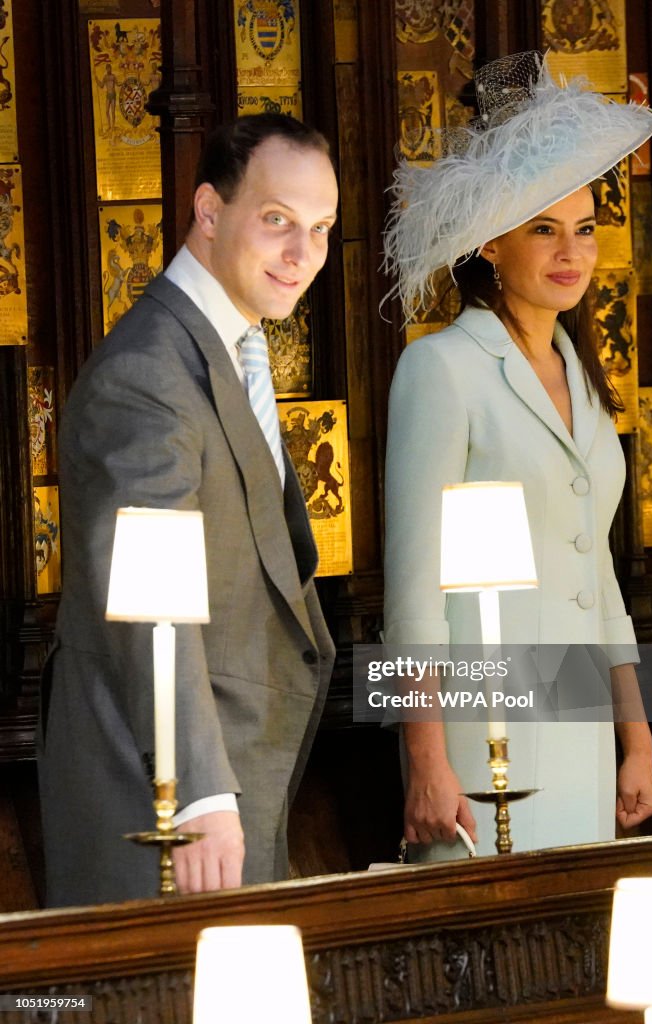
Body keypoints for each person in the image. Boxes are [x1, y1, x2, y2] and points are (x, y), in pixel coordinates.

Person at [37, 114, 338, 905]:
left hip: (237, 784)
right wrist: (200, 793)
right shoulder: (147, 375)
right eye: (277, 221)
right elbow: (144, 608)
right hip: (163, 804)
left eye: (320, 228)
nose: (301, 255)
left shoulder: (231, 348)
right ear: (209, 212)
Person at [383, 52, 652, 860]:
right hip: (482, 733)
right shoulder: (440, 369)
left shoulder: (580, 373)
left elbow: (596, 577)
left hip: (578, 731)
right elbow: (413, 595)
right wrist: (426, 760)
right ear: (489, 247)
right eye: (542, 228)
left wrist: (634, 738)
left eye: (583, 229)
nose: (568, 251)